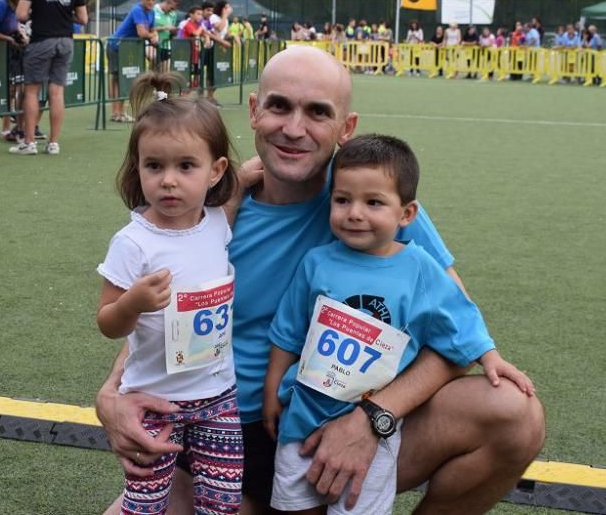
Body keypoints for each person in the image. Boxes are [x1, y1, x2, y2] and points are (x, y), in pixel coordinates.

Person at [97, 45, 546, 515]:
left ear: (345, 128)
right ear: (254, 111)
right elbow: (166, 313)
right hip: (226, 432)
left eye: (317, 112)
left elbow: (455, 327)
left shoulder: (372, 203)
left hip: (346, 419)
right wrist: (110, 394)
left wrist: (374, 417)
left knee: (515, 414)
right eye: (279, 106)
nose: (294, 129)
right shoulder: (211, 211)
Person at [263, 134, 533, 514]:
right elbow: (288, 331)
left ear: (406, 214)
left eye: (373, 202)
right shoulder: (317, 262)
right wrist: (272, 389)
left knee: (357, 504)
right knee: (294, 505)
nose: (355, 213)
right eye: (343, 200)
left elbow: (459, 316)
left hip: (375, 428)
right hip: (302, 415)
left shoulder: (419, 268)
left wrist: (490, 355)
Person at [96, 73, 242, 514]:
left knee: (222, 504)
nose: (169, 181)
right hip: (154, 403)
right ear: (137, 167)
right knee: (144, 504)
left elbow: (237, 191)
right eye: (154, 166)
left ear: (215, 171)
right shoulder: (133, 242)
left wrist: (250, 173)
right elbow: (106, 321)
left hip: (219, 399)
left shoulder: (216, 222)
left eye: (186, 166)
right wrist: (132, 303)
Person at [13, 0, 87, 155]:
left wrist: (37, 13)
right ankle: (53, 143)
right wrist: (62, 14)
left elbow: (20, 15)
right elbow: (83, 19)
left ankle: (29, 143)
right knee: (57, 93)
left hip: (41, 41)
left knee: (31, 92)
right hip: (65, 41)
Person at [108, 0, 160, 123]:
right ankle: (115, 112)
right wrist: (152, 37)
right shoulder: (137, 10)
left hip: (128, 48)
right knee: (116, 78)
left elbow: (152, 30)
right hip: (116, 46)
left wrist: (155, 36)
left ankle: (120, 112)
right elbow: (142, 32)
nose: (150, 2)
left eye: (153, 0)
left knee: (125, 77)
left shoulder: (152, 12)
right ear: (142, 0)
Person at [0, 0, 28, 147]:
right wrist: (8, 39)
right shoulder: (1, 4)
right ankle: (5, 127)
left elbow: (16, 26)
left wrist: (21, 36)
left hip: (14, 51)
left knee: (18, 89)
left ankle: (16, 127)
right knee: (9, 91)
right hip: (1, 50)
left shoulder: (15, 8)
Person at [153, 0, 180, 71]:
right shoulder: (153, 10)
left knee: (165, 72)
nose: (172, 11)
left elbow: (171, 30)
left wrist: (174, 32)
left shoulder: (173, 14)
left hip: (166, 46)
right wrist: (165, 27)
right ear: (167, 3)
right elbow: (149, 28)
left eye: (174, 9)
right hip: (153, 45)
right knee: (154, 70)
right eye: (171, 8)